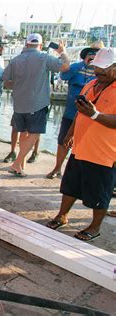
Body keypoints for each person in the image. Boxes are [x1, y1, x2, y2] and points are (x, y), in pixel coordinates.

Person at [46, 47, 115, 242]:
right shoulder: (90, 84)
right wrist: (70, 133)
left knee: (100, 193)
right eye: (96, 68)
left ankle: (95, 227)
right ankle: (62, 215)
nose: (98, 72)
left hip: (104, 153)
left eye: (104, 68)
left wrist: (95, 114)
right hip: (81, 148)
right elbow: (80, 111)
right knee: (70, 186)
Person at [2, 33, 70, 177]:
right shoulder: (43, 57)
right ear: (40, 44)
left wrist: (21, 83)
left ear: (26, 44)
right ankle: (16, 163)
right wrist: (62, 51)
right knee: (34, 134)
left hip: (19, 104)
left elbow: (6, 80)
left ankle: (20, 165)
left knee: (24, 133)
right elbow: (65, 67)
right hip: (36, 103)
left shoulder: (15, 59)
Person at [46, 44, 101, 179]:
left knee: (83, 144)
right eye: (90, 54)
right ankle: (57, 168)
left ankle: (76, 173)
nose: (93, 56)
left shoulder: (100, 72)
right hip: (71, 113)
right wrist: (81, 64)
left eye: (96, 54)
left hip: (90, 117)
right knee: (63, 141)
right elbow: (64, 76)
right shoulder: (77, 67)